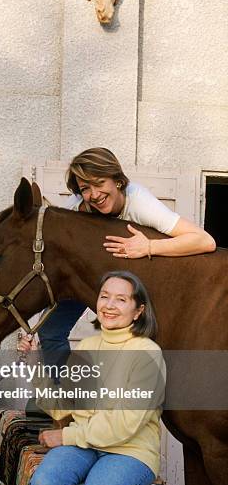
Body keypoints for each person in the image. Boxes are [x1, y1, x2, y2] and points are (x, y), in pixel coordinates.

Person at [25, 271, 166, 485]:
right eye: (104, 296)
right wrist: (34, 366)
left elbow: (125, 423)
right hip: (86, 443)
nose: (110, 305)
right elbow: (65, 405)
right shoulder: (87, 345)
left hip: (130, 452)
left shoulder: (147, 353)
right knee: (45, 482)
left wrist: (67, 435)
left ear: (138, 310)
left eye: (121, 299)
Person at [36, 147, 216, 366]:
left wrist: (148, 246)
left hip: (131, 275)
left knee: (135, 337)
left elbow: (204, 241)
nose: (94, 194)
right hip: (87, 276)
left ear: (117, 180)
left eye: (99, 182)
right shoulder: (74, 211)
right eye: (85, 188)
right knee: (49, 331)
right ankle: (64, 391)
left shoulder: (138, 201)